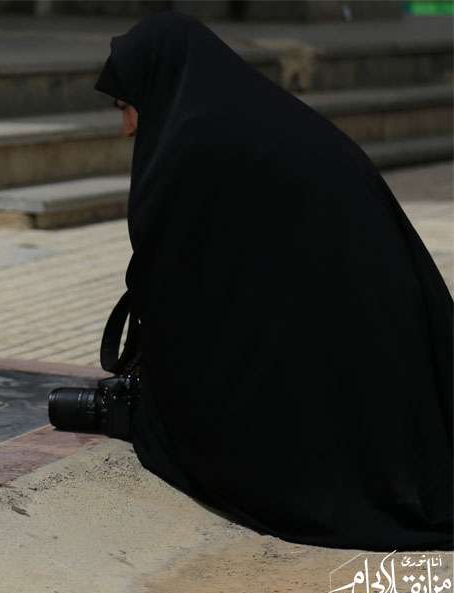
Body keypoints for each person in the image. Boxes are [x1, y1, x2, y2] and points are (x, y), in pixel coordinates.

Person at [93, 12, 452, 550]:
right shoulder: (241, 118)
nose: (125, 128)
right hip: (384, 334)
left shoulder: (197, 145)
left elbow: (177, 290)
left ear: (157, 86)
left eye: (126, 105)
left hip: (365, 341)